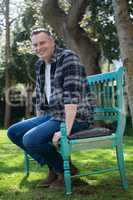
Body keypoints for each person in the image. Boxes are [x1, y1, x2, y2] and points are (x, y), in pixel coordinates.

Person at [7, 28, 94, 188]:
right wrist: (40, 123)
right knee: (14, 132)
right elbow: (41, 98)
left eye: (42, 42)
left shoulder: (68, 58)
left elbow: (72, 97)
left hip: (77, 116)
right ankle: (57, 168)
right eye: (35, 45)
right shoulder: (39, 64)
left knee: (30, 139)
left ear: (52, 41)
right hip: (53, 115)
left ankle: (61, 171)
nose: (38, 48)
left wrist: (65, 130)